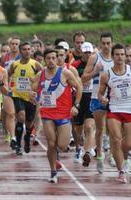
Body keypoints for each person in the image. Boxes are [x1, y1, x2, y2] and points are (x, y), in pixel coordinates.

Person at [31, 48, 82, 183]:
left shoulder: (65, 73)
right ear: (44, 60)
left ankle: (58, 154)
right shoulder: (40, 75)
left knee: (63, 145)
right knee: (51, 143)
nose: (52, 61)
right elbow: (34, 90)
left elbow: (79, 87)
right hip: (47, 113)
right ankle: (53, 171)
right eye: (48, 58)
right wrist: (32, 95)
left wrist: (76, 105)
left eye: (54, 58)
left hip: (64, 114)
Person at [98, 43, 131, 183]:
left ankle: (123, 157)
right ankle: (121, 171)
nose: (120, 57)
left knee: (128, 144)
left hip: (129, 109)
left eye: (122, 54)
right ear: (112, 56)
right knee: (116, 140)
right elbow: (100, 94)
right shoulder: (106, 75)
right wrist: (103, 99)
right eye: (117, 54)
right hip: (114, 110)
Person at [82, 32, 114, 173]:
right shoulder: (95, 58)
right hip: (96, 98)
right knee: (100, 130)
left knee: (114, 130)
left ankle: (112, 155)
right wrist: (95, 71)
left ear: (112, 43)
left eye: (108, 43)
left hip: (114, 99)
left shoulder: (117, 57)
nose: (106, 46)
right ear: (100, 44)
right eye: (103, 43)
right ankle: (100, 156)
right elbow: (83, 78)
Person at [9, 42, 42, 155]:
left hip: (31, 97)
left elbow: (44, 77)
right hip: (18, 95)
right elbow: (7, 75)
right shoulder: (15, 64)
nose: (27, 51)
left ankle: (27, 138)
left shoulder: (36, 64)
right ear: (20, 51)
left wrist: (37, 89)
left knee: (29, 123)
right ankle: (18, 144)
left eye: (29, 49)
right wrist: (8, 86)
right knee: (21, 117)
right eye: (24, 49)